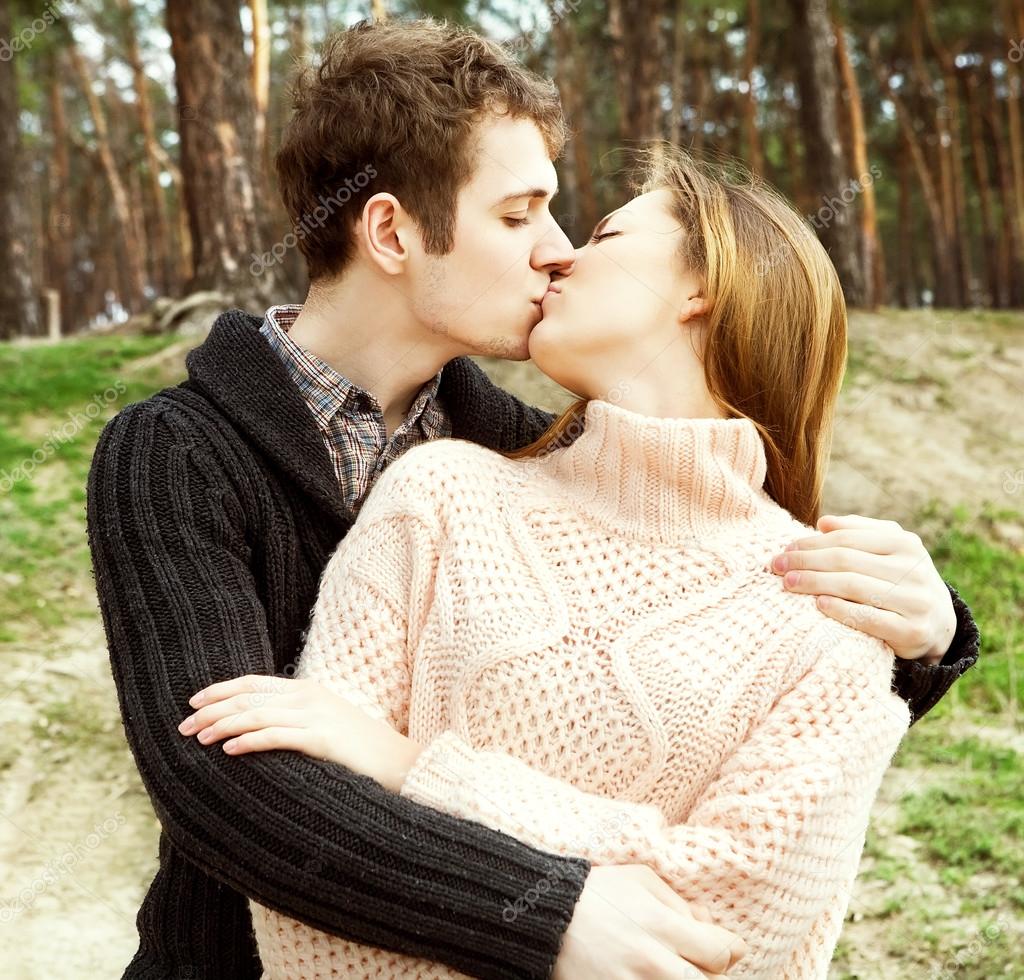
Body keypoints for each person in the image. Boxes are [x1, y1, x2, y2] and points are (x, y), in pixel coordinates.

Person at [89, 19, 979, 980]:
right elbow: (221, 779)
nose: (556, 251)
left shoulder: (520, 453)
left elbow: (741, 700)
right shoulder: (175, 453)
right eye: (519, 216)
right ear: (389, 229)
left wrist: (927, 641)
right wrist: (553, 916)